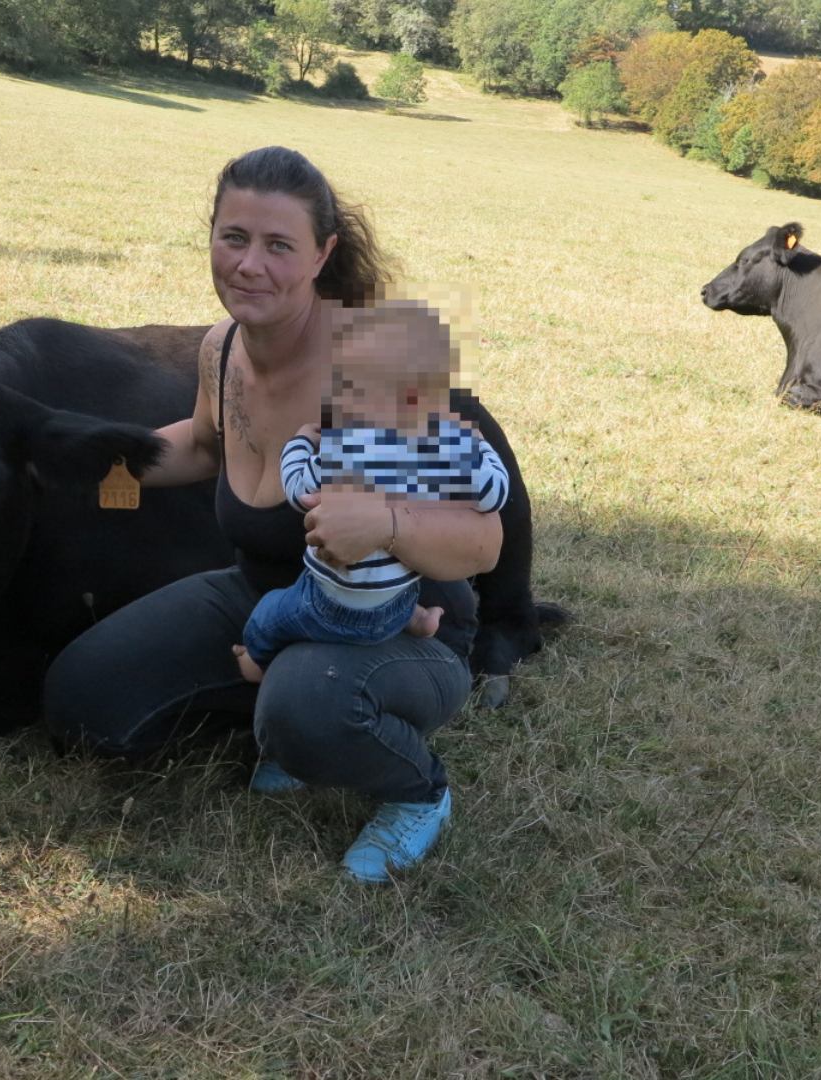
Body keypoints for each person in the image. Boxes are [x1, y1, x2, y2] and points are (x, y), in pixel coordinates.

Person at [42, 146, 503, 883]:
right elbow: (200, 444)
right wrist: (96, 471)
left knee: (307, 706)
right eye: (234, 238)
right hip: (264, 595)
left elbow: (482, 539)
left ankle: (418, 791)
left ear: (323, 254)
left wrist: (386, 526)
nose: (249, 265)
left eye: (278, 245)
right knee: (84, 703)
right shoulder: (221, 347)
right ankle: (285, 710)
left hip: (400, 623)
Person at [235, 300, 511, 685]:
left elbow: (299, 492)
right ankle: (418, 619)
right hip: (395, 603)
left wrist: (297, 445)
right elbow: (494, 496)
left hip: (332, 608)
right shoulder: (445, 452)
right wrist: (476, 448)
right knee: (392, 587)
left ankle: (256, 661)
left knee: (270, 612)